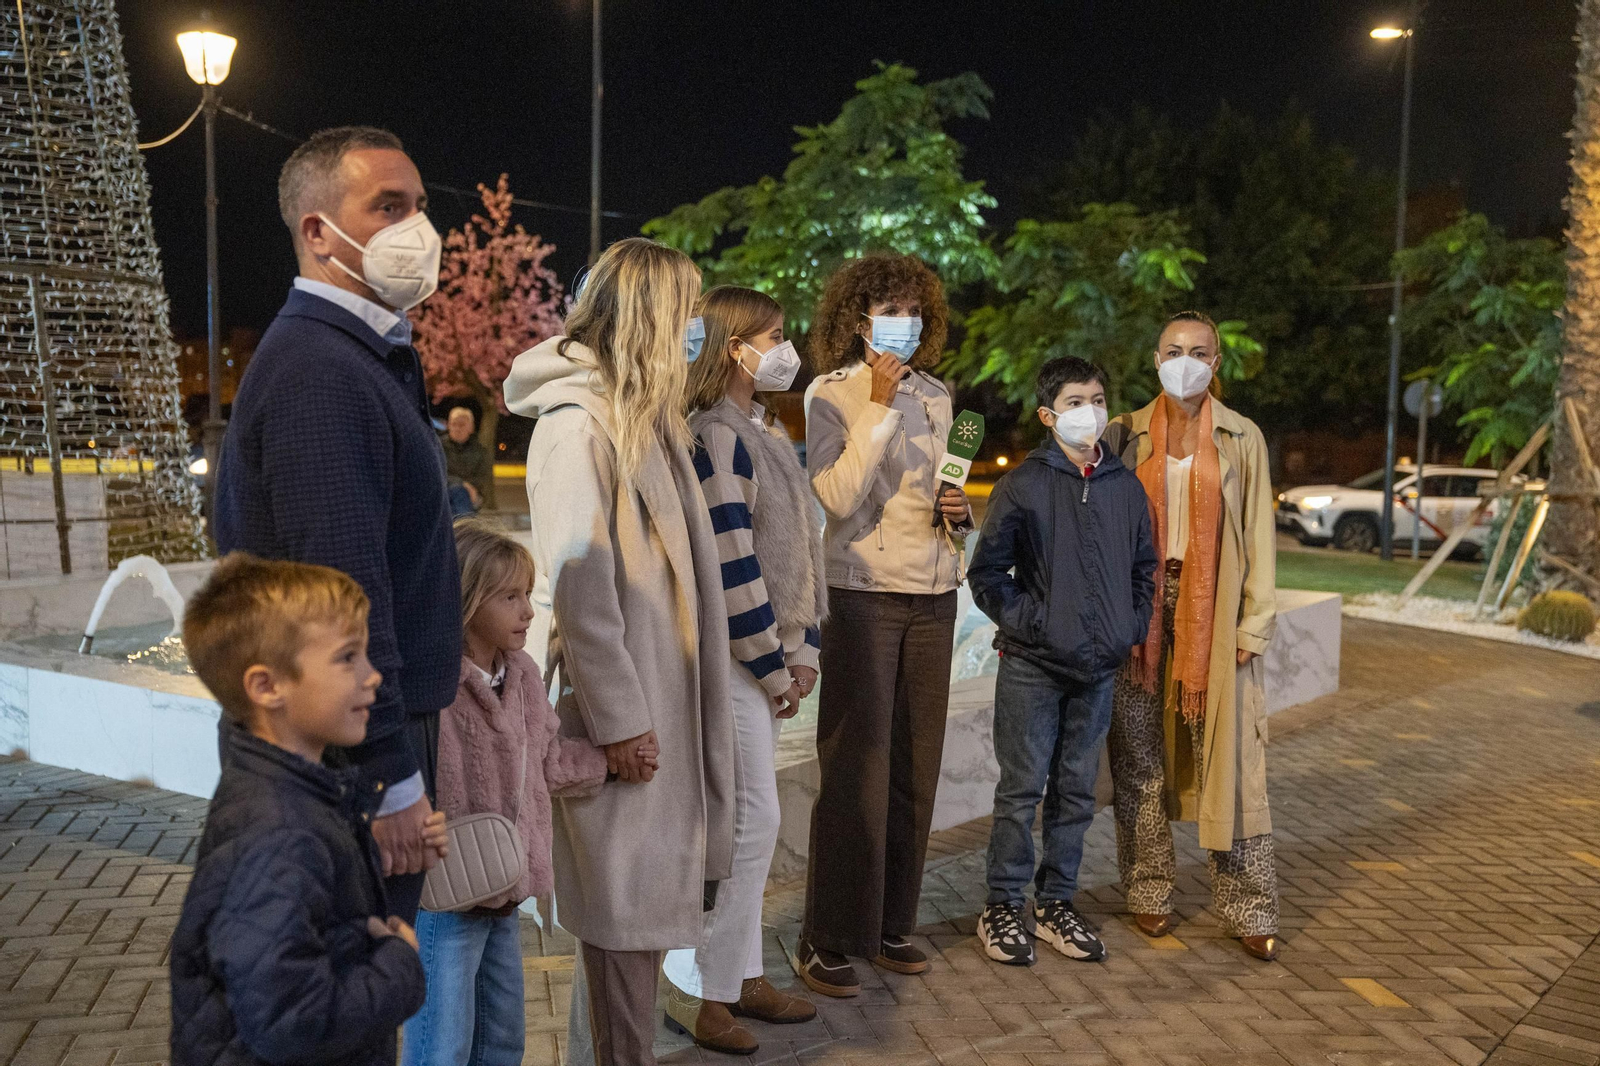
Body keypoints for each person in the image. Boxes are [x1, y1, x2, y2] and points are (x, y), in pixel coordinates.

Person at [213, 125, 458, 923]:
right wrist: (390, 771)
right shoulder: (320, 370)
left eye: (420, 207)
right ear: (318, 231)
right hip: (345, 747)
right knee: (350, 987)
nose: (417, 229)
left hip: (355, 730)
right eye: (388, 206)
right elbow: (343, 590)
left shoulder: (360, 355)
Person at [504, 237, 736, 1065]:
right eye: (688, 312)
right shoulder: (578, 431)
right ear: (649, 319)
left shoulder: (647, 421)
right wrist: (620, 723)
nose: (697, 331)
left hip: (658, 706)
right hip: (630, 722)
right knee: (621, 922)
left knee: (630, 921)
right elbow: (578, 589)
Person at [169, 553, 442, 1066]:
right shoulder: (279, 833)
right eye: (348, 658)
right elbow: (292, 1020)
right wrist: (399, 965)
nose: (374, 676)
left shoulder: (302, 796)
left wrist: (371, 860)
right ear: (267, 686)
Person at [404, 520, 649, 1066]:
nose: (528, 611)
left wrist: (611, 763)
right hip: (449, 890)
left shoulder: (521, 676)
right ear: (466, 599)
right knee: (441, 1043)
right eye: (510, 597)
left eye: (527, 594)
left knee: (503, 1038)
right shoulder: (435, 685)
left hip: (506, 886)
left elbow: (548, 762)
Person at [796, 253, 974, 998]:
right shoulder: (830, 394)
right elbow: (834, 496)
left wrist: (959, 517)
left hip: (933, 594)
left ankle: (892, 923)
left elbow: (949, 491)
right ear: (858, 317)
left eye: (914, 309)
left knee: (914, 767)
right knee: (855, 771)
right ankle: (828, 936)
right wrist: (873, 402)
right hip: (863, 592)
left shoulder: (941, 397)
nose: (903, 321)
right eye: (887, 307)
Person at [661, 286, 824, 1053]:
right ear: (736, 347)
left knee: (755, 820)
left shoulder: (759, 428)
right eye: (776, 335)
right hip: (733, 659)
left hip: (764, 657)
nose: (787, 350)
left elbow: (797, 555)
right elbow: (732, 563)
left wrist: (803, 652)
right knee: (748, 821)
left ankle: (740, 976)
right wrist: (773, 664)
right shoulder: (715, 435)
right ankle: (705, 990)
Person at [1104, 311, 1282, 962]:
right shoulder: (1123, 433)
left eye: (1199, 351)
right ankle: (1149, 890)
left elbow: (1260, 537)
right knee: (1140, 759)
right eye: (1174, 350)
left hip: (1215, 609)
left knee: (1232, 765)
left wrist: (1253, 622)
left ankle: (1251, 907)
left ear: (1217, 363)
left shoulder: (1242, 438)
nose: (1186, 360)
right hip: (1139, 613)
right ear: (1155, 360)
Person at [968, 357, 1158, 967]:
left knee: (1076, 792)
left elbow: (1143, 573)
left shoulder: (1124, 487)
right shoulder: (1023, 485)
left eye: (1098, 399)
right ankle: (1001, 906)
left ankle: (1056, 902)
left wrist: (1127, 626)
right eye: (1076, 401)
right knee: (1020, 791)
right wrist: (1034, 623)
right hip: (1032, 664)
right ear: (1050, 415)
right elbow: (987, 574)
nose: (1091, 412)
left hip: (1097, 670)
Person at [441, 406, 496, 516]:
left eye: (461, 425)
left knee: (461, 496)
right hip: (444, 491)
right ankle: (464, 528)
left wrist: (470, 488)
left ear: (470, 427)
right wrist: (462, 483)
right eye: (453, 424)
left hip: (472, 494)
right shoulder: (439, 447)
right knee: (458, 493)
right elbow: (437, 474)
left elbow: (482, 477)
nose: (457, 428)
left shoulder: (479, 451)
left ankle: (461, 527)